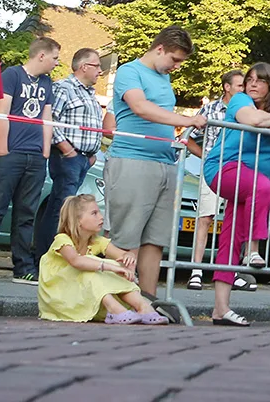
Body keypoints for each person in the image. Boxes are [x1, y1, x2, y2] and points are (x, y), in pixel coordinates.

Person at [105, 26, 207, 299]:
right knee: (127, 237)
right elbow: (140, 107)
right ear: (159, 49)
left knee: (155, 239)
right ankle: (121, 298)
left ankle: (148, 300)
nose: (177, 66)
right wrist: (187, 120)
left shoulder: (164, 78)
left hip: (164, 162)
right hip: (132, 160)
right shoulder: (130, 71)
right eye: (175, 60)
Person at [203, 63, 270, 326]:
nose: (253, 84)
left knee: (229, 238)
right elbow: (252, 120)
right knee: (264, 187)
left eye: (260, 80)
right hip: (224, 168)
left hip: (250, 183)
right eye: (249, 79)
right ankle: (253, 249)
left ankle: (220, 309)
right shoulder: (240, 100)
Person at [38, 194, 169, 324]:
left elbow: (122, 255)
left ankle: (143, 307)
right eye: (94, 213)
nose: (101, 217)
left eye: (99, 212)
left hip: (77, 289)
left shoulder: (97, 241)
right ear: (77, 220)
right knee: (94, 270)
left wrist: (129, 258)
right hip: (59, 293)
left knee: (113, 271)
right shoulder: (62, 239)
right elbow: (76, 261)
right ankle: (114, 310)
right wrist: (112, 267)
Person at [0, 36, 60, 284]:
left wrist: (44, 152)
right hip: (11, 153)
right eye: (54, 58)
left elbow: (47, 117)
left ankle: (23, 266)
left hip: (35, 157)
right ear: (41, 55)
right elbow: (2, 113)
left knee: (26, 213)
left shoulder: (47, 82)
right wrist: (2, 149)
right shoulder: (12, 75)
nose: (56, 63)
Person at [33, 47, 105, 269]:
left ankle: (54, 258)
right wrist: (67, 149)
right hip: (67, 158)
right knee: (60, 210)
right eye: (97, 66)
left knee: (65, 208)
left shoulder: (89, 94)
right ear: (84, 67)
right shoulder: (64, 88)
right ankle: (46, 260)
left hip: (83, 159)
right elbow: (50, 120)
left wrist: (91, 155)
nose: (100, 72)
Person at [183, 69, 244, 291]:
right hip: (213, 172)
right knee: (205, 218)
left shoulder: (245, 111)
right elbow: (186, 137)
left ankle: (230, 271)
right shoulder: (209, 109)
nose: (243, 89)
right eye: (239, 85)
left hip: (237, 171)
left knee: (233, 221)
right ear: (227, 87)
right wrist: (206, 158)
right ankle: (196, 271)